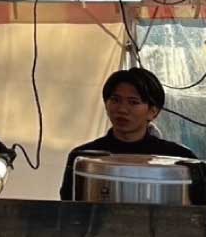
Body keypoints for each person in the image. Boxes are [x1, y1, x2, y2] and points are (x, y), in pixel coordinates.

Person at [59, 67, 197, 200]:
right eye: (115, 100)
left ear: (153, 112)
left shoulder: (179, 159)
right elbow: (69, 207)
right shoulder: (84, 158)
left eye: (133, 102)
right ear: (106, 104)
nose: (122, 109)